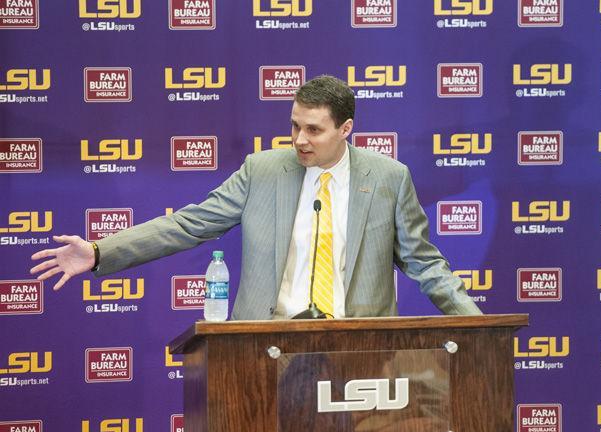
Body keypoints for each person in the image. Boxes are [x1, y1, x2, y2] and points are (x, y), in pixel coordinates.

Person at [30, 75, 481, 319]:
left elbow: (426, 264)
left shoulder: (388, 178)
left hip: (361, 349)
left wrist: (480, 327)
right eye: (294, 125)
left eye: (314, 130)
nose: (300, 139)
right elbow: (188, 224)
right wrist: (99, 251)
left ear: (345, 129)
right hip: (268, 346)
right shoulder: (262, 171)